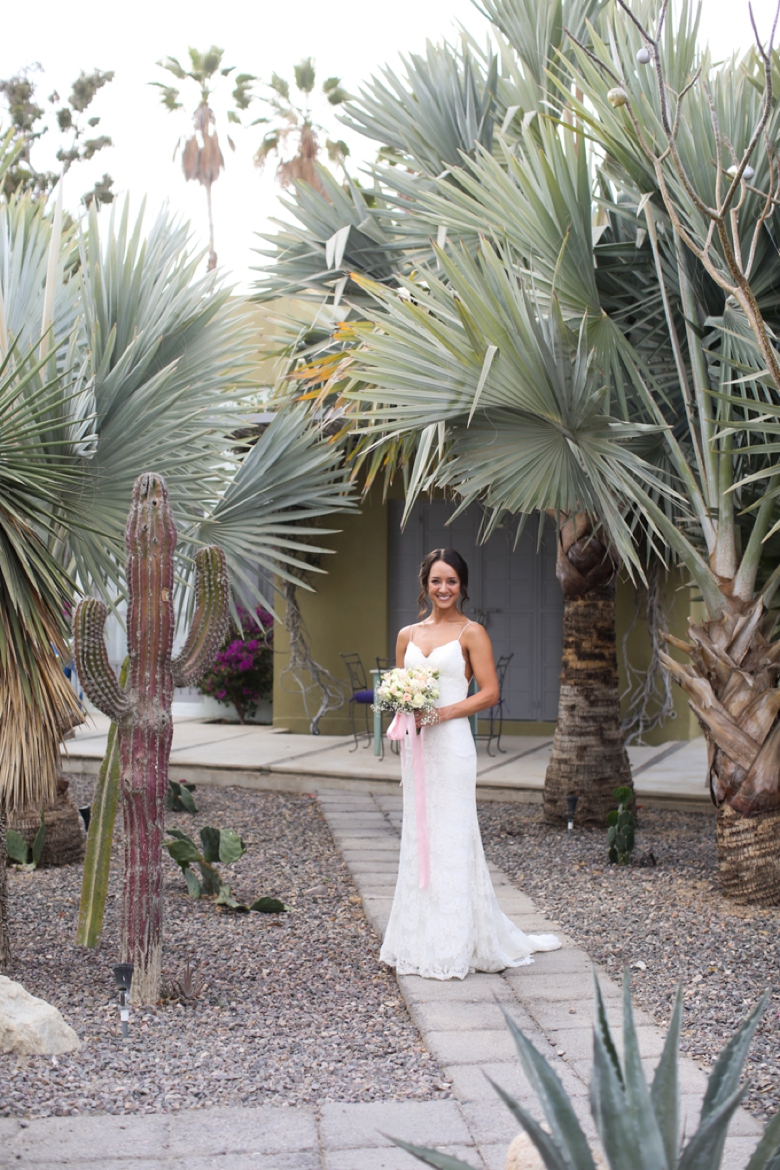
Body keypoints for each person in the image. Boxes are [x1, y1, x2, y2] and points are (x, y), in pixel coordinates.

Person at [379, 548, 560, 980]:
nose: (444, 589)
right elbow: (400, 685)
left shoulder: (471, 632)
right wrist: (402, 709)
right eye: (436, 581)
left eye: (452, 582)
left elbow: (489, 692)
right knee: (419, 837)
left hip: (453, 745)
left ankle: (455, 943)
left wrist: (438, 714)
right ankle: (416, 939)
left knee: (453, 838)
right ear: (424, 583)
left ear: (463, 586)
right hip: (418, 749)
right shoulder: (406, 634)